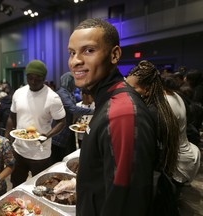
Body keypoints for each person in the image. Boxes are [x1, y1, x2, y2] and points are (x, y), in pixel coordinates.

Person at [68, 18, 157, 215]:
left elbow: (126, 202)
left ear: (114, 54)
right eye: (72, 52)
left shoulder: (121, 113)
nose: (75, 61)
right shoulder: (107, 99)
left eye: (88, 50)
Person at [126, 60, 181, 215]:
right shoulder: (160, 106)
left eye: (132, 89)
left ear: (147, 90)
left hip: (150, 179)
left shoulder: (148, 114)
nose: (127, 93)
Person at [5, 59, 66, 188]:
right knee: (16, 183)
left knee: (40, 186)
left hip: (40, 152)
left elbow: (62, 122)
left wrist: (47, 136)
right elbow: (11, 117)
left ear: (44, 78)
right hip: (19, 149)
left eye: (38, 79)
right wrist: (7, 138)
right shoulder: (19, 93)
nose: (33, 82)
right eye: (30, 78)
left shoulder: (52, 98)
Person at [51, 72, 93, 163]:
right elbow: (72, 109)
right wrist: (92, 111)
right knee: (57, 161)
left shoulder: (69, 92)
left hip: (67, 130)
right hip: (59, 132)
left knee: (68, 158)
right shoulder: (62, 93)